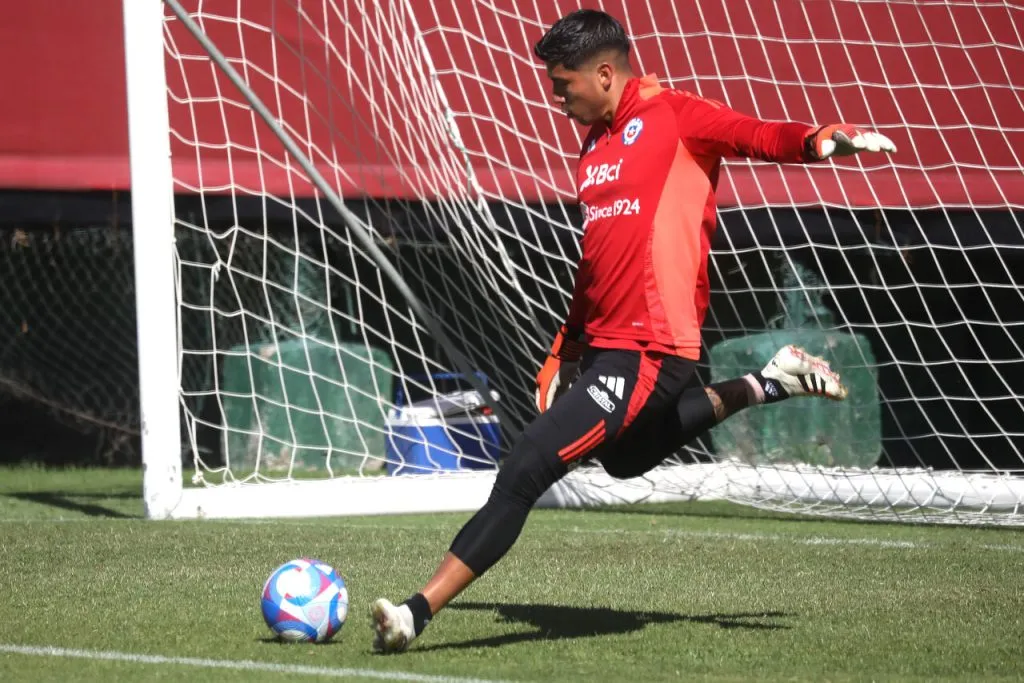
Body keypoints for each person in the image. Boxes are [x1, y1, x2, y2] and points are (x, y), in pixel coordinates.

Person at [369, 9, 896, 653]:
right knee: (622, 460)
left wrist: (817, 140)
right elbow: (596, 261)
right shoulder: (592, 142)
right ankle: (768, 383)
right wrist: (562, 348)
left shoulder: (674, 114)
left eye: (564, 84)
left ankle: (414, 612)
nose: (555, 97)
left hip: (649, 351)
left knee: (525, 469)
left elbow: (755, 133)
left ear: (606, 72)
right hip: (607, 350)